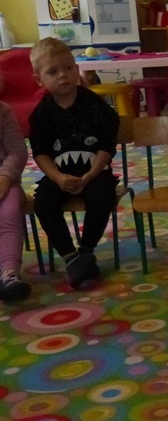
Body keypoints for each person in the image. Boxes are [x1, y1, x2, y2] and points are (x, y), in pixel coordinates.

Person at [28, 37, 119, 290]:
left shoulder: (95, 105)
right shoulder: (41, 114)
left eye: (68, 68)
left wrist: (91, 174)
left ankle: (86, 251)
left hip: (96, 172)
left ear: (77, 69)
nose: (63, 75)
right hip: (60, 175)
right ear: (39, 79)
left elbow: (106, 145)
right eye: (53, 72)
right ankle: (71, 257)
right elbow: (40, 153)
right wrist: (58, 178)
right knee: (43, 202)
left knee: (102, 196)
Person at [0, 71, 29, 303]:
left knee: (9, 212)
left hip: (5, 181)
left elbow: (17, 151)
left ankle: (9, 273)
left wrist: (5, 177)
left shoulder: (3, 112)